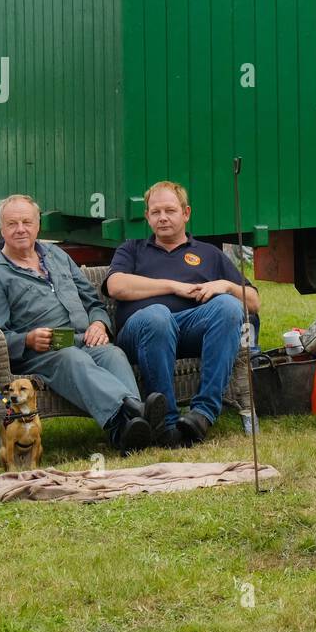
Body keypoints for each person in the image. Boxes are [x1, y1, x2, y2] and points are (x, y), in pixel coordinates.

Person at [0, 194, 165, 453]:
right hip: (39, 353)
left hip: (80, 339)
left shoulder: (56, 255)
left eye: (27, 222)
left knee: (112, 354)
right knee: (72, 360)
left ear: (38, 224)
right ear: (1, 228)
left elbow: (92, 301)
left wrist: (99, 323)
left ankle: (125, 432)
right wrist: (28, 339)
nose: (21, 229)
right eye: (12, 224)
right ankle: (135, 412)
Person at [105, 181, 258, 447]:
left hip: (190, 331)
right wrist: (174, 286)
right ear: (147, 217)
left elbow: (253, 302)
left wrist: (226, 286)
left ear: (185, 213)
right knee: (158, 315)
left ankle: (202, 415)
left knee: (230, 306)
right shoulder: (132, 249)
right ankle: (165, 424)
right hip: (140, 333)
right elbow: (115, 285)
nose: (162, 217)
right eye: (155, 212)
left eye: (170, 210)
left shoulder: (209, 254)